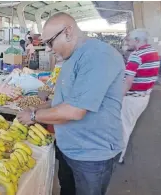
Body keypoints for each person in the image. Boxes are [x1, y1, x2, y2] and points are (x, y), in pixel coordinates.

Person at [17, 12, 125, 195]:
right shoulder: (70, 58)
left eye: (50, 42)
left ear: (67, 31)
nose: (49, 49)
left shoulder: (97, 56)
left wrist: (34, 116)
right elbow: (65, 100)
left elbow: (75, 110)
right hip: (70, 148)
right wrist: (40, 107)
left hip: (91, 155)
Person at [119, 29, 160, 163]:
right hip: (144, 97)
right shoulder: (154, 53)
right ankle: (120, 154)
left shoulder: (136, 55)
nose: (127, 42)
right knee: (129, 125)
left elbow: (128, 81)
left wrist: (119, 97)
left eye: (129, 39)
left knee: (123, 127)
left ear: (137, 40)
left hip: (132, 98)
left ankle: (118, 157)